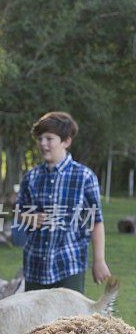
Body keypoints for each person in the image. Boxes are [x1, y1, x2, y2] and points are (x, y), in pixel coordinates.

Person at [15, 111, 111, 293]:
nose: (43, 144)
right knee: (36, 321)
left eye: (49, 139)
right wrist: (28, 218)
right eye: (40, 138)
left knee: (69, 321)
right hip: (35, 266)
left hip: (69, 267)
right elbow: (20, 212)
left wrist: (99, 261)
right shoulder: (30, 177)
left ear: (66, 141)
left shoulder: (84, 176)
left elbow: (95, 221)